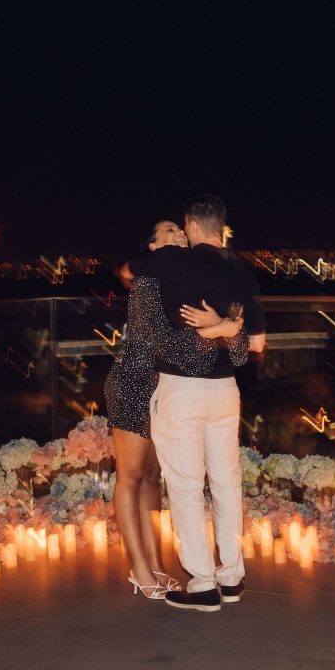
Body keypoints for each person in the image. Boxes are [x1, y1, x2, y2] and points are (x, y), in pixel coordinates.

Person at [127, 194, 266, 612]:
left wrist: (215, 329)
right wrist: (226, 327)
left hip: (183, 390)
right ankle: (232, 578)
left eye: (179, 228)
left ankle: (204, 585)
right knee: (226, 484)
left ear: (190, 224)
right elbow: (254, 345)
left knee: (187, 487)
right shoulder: (241, 274)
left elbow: (129, 272)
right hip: (224, 391)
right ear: (221, 225)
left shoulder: (169, 264)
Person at [105, 219, 248, 600]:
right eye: (168, 231)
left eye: (180, 230)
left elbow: (237, 348)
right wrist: (221, 330)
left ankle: (157, 564)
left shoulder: (191, 279)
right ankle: (139, 569)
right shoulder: (147, 284)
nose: (179, 234)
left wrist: (226, 330)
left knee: (154, 479)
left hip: (171, 389)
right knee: (131, 477)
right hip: (137, 384)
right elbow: (166, 345)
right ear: (152, 249)